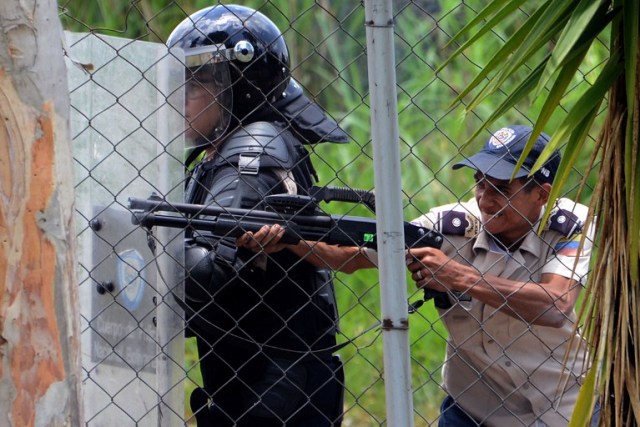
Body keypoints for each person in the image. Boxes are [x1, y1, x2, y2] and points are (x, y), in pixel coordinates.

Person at [245, 125, 595, 426]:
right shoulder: (448, 226)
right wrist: (289, 240)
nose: (484, 200)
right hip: (474, 409)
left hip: (562, 407)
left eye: (501, 189)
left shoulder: (571, 227)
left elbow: (555, 303)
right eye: (479, 183)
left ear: (542, 194)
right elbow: (349, 257)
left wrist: (461, 277)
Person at [166, 5, 349, 426]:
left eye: (191, 84)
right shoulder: (226, 145)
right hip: (262, 373)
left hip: (272, 384)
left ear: (236, 85)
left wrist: (143, 249)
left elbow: (215, 275)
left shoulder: (253, 147)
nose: (176, 98)